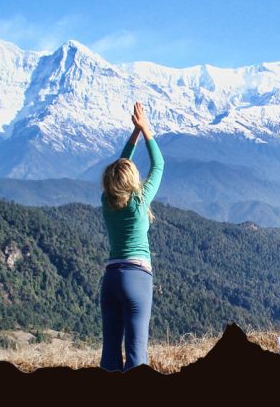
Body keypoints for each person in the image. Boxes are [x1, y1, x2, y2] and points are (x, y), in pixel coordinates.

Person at [99, 102, 164, 371]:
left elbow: (119, 165)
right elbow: (158, 164)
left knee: (110, 352)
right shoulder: (139, 202)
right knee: (137, 352)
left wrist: (134, 134)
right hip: (137, 277)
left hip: (111, 278)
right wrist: (145, 129)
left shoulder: (107, 199)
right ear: (132, 180)